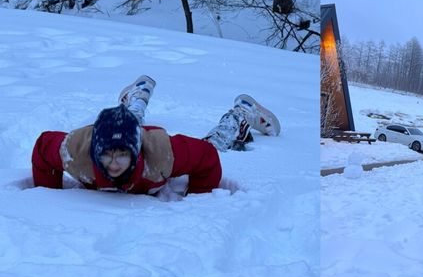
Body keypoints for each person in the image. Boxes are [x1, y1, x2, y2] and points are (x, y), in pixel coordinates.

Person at [31, 77, 280, 195]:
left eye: (122, 155)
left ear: (136, 152)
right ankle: (137, 98)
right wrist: (49, 193)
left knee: (214, 143)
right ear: (96, 152)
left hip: (150, 143)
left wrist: (199, 198)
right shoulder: (75, 153)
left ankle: (240, 114)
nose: (114, 163)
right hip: (109, 134)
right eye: (107, 156)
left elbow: (207, 156)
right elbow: (43, 146)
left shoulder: (163, 155)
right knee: (125, 127)